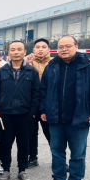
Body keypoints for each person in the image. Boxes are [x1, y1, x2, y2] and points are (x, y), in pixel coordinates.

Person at [41, 36, 90, 180]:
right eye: (60, 47)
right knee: (57, 151)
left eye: (68, 46)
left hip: (79, 118)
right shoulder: (52, 66)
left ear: (76, 46)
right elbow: (43, 90)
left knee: (78, 153)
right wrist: (43, 109)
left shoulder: (89, 66)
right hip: (55, 117)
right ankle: (58, 179)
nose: (64, 49)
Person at [0, 41, 40, 180]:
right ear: (8, 52)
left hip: (25, 114)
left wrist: (33, 112)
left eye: (19, 49)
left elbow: (37, 93)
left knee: (24, 144)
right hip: (6, 114)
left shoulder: (32, 71)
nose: (16, 52)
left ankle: (22, 170)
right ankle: (6, 169)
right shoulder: (1, 71)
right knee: (5, 144)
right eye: (13, 50)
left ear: (25, 52)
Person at [25, 38, 53, 168]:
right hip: (31, 103)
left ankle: (58, 158)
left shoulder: (54, 64)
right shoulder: (28, 63)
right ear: (33, 49)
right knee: (31, 132)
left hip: (48, 103)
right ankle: (32, 157)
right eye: (37, 47)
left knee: (51, 133)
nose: (40, 49)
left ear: (48, 49)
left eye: (43, 47)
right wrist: (26, 63)